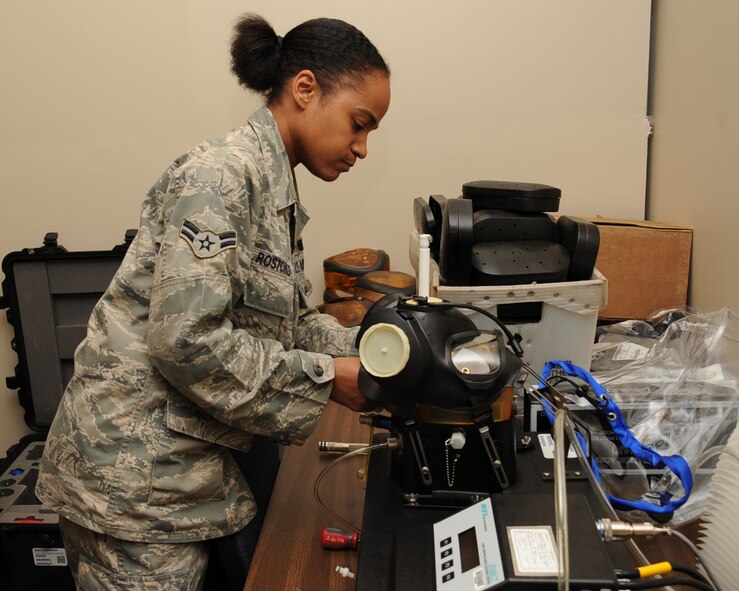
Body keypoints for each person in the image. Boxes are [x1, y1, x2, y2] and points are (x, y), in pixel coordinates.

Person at [36, 12, 390, 590]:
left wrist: (380, 353)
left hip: (182, 477)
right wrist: (328, 380)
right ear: (305, 89)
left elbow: (289, 326)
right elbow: (187, 341)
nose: (363, 147)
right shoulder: (221, 177)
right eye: (359, 123)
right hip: (134, 486)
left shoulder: (272, 187)